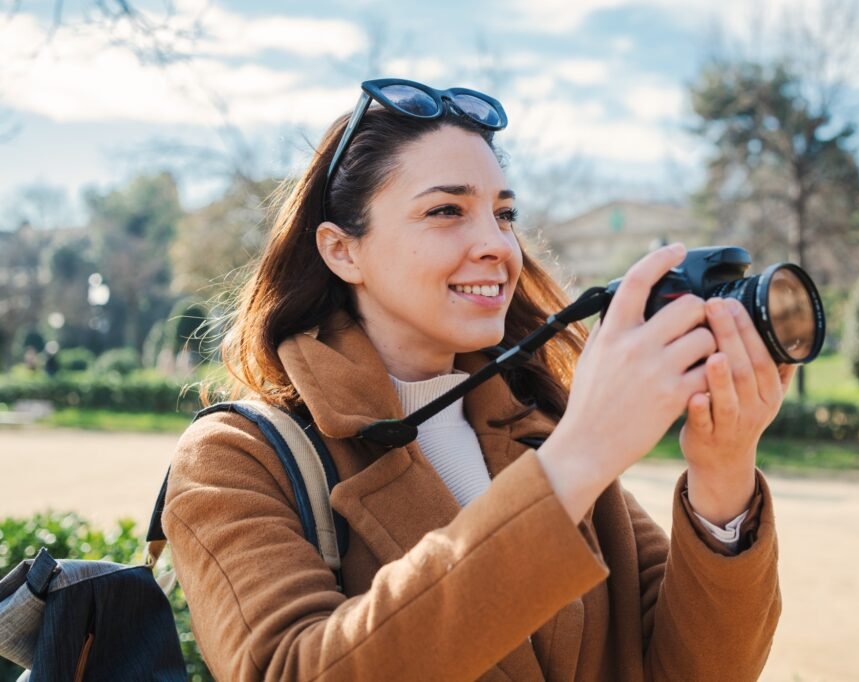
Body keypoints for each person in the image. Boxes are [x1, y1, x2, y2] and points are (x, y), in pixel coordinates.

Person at [162, 78, 795, 681]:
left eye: (504, 213)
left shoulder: (538, 433)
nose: (496, 244)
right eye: (446, 210)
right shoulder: (234, 459)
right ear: (341, 250)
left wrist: (722, 471)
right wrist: (584, 453)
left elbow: (700, 670)